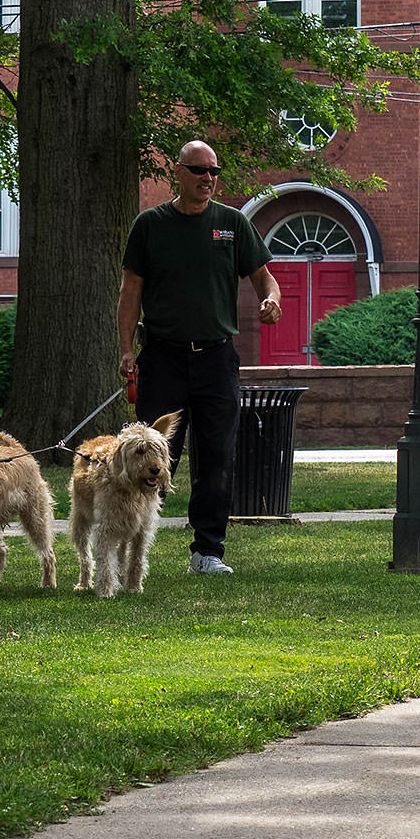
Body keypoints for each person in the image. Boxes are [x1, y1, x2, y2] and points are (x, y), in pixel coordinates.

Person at [116, 140, 282, 576]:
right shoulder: (150, 225)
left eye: (214, 171)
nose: (208, 179)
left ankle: (207, 552)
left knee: (217, 459)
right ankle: (133, 547)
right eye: (199, 171)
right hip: (163, 358)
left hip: (216, 360)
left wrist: (271, 300)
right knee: (149, 457)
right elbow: (130, 290)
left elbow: (266, 278)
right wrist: (126, 349)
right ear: (178, 172)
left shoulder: (231, 224)